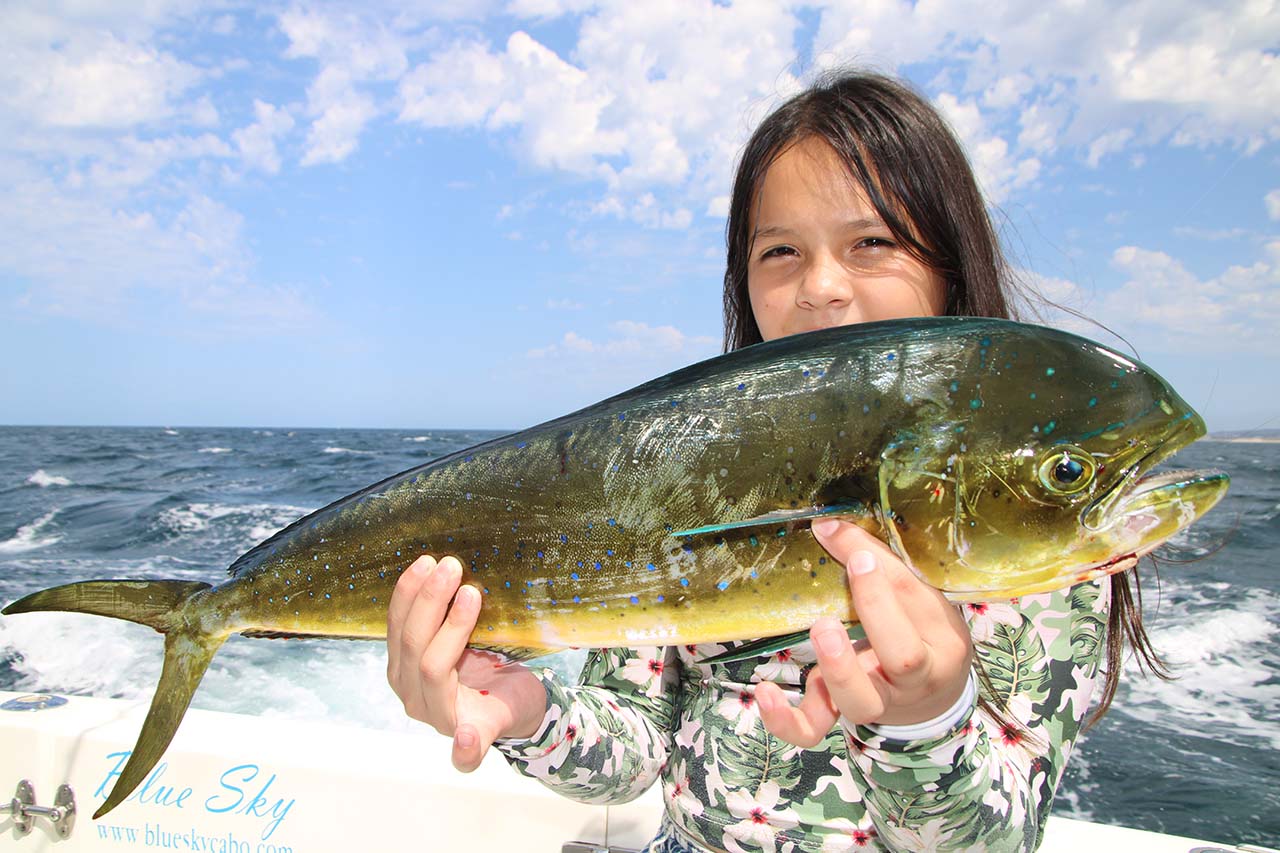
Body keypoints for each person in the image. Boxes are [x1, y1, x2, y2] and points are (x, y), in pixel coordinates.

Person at [386, 70, 1136, 852]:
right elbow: (635, 747)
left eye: (871, 242)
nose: (820, 287)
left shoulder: (1048, 529)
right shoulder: (695, 469)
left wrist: (926, 717)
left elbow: (994, 839)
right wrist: (528, 711)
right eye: (780, 251)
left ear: (950, 264)